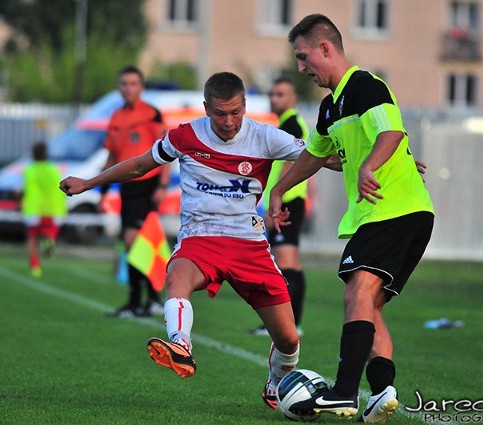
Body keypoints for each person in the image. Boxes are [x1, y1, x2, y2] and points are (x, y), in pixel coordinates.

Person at [60, 71, 339, 409]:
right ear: (206, 108)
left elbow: (322, 157)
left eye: (235, 112)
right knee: (176, 276)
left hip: (248, 243)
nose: (228, 121)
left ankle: (277, 382)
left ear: (245, 106)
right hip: (200, 236)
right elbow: (139, 165)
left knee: (289, 338)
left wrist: (382, 162)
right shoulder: (185, 136)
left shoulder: (265, 137)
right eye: (220, 113)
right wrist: (89, 183)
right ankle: (181, 345)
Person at [268, 14, 435, 423]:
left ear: (326, 48)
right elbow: (313, 155)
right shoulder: (331, 107)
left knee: (355, 292)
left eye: (304, 57)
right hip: (394, 212)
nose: (302, 67)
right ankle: (382, 393)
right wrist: (278, 188)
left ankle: (343, 393)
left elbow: (390, 134)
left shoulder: (365, 86)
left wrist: (368, 167)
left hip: (392, 209)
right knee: (370, 306)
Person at [102, 65, 170, 318]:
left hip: (148, 185)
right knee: (136, 244)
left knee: (135, 242)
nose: (128, 88)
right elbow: (112, 155)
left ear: (141, 87)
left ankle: (136, 302)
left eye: (133, 83)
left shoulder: (151, 114)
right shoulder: (116, 117)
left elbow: (166, 153)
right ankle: (150, 300)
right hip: (127, 187)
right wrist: (101, 187)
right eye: (124, 83)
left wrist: (162, 186)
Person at [249, 77, 310, 337]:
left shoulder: (292, 124)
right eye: (272, 94)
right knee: (289, 263)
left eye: (281, 94)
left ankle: (289, 323)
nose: (275, 99)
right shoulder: (285, 124)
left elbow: (291, 163)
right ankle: (291, 323)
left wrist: (277, 199)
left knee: (286, 263)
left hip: (287, 203)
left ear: (293, 98)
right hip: (288, 201)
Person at [21, 141, 67, 278]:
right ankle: (49, 239)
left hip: (34, 209)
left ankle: (35, 267)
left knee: (32, 238)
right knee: (48, 232)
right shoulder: (54, 169)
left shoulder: (30, 170)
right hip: (53, 208)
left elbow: (26, 189)